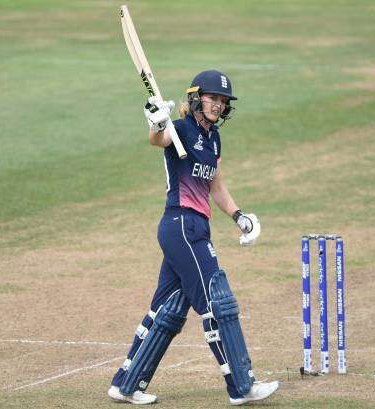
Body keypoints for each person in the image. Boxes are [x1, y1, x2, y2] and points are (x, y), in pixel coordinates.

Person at [107, 70, 279, 405]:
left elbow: (214, 184)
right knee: (218, 302)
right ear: (196, 97)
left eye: (222, 101)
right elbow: (159, 141)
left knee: (168, 310)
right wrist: (157, 122)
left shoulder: (213, 138)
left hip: (194, 228)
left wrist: (239, 216)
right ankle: (242, 386)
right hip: (181, 225)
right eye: (213, 98)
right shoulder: (181, 128)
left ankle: (126, 384)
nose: (218, 105)